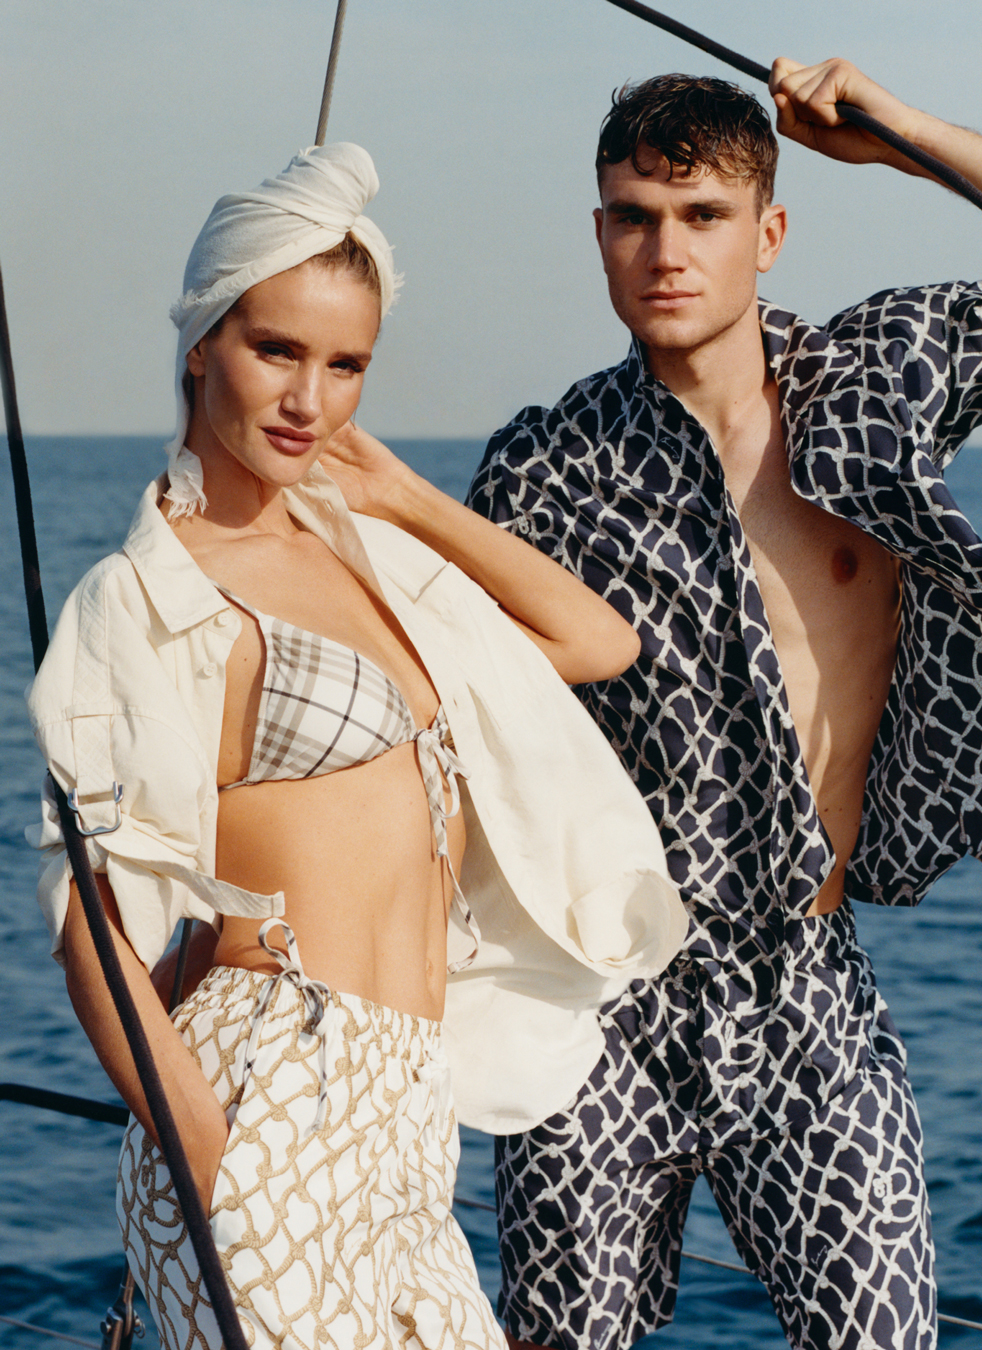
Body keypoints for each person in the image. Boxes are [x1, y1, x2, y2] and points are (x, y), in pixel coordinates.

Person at [26, 143, 687, 1350]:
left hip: (407, 1117)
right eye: (276, 350)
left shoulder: (364, 551)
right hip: (266, 1096)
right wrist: (208, 1154)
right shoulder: (151, 599)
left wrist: (403, 496)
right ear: (202, 341)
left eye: (346, 366)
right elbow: (94, 928)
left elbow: (597, 642)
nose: (309, 400)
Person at [467, 58, 982, 1350]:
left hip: (806, 985)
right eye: (634, 217)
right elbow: (460, 745)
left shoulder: (877, 379)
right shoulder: (544, 467)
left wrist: (905, 137)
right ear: (598, 233)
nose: (666, 252)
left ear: (771, 231)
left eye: (704, 215)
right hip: (602, 994)